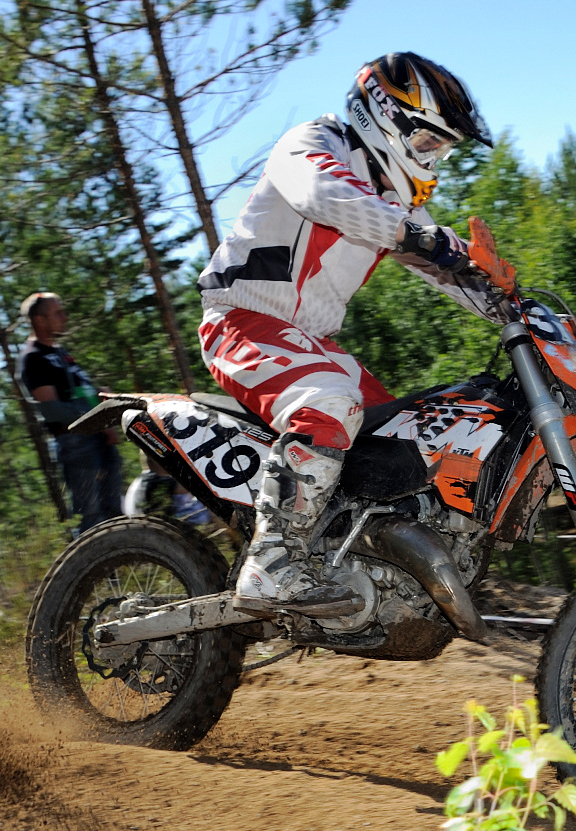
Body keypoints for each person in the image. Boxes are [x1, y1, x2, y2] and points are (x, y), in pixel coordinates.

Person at [197, 52, 498, 614]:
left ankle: (370, 572)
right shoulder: (314, 143)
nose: (433, 160)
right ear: (385, 117)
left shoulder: (393, 204)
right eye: (428, 142)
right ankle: (271, 565)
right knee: (331, 404)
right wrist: (425, 239)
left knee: (411, 435)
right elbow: (325, 194)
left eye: (442, 150)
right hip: (241, 322)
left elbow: (446, 264)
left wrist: (518, 306)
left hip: (311, 346)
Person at [20, 292, 124, 536]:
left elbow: (79, 392)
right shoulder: (33, 357)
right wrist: (97, 418)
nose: (65, 317)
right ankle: (90, 561)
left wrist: (102, 399)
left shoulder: (60, 353)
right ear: (39, 320)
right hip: (76, 443)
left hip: (97, 437)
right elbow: (52, 409)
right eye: (58, 313)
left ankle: (123, 560)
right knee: (91, 517)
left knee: (114, 513)